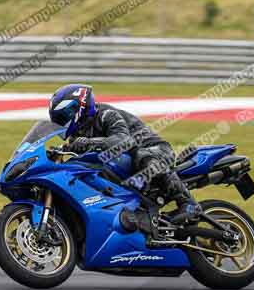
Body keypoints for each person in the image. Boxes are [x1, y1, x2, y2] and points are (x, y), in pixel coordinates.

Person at [48, 83, 202, 222]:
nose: (62, 122)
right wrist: (53, 154)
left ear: (78, 107)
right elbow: (74, 152)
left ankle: (188, 204)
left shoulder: (106, 114)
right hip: (130, 165)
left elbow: (124, 141)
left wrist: (89, 143)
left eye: (63, 117)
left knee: (142, 156)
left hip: (157, 150)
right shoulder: (79, 132)